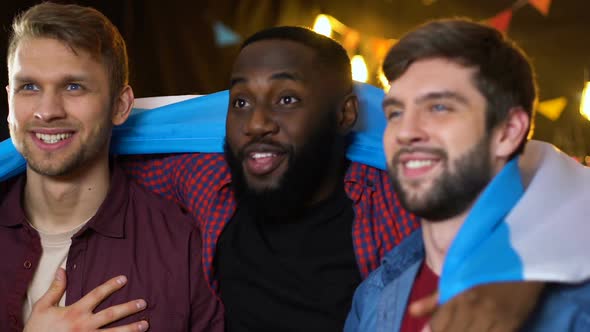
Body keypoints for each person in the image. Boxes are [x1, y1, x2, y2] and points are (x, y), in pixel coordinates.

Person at [345, 18, 590, 332]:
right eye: (395, 112)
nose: (405, 131)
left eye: (439, 107)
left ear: (507, 131)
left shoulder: (575, 306)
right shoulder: (374, 295)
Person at [0, 3, 223, 331]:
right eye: (29, 87)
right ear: (9, 101)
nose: (47, 111)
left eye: (73, 86)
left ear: (120, 106)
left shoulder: (185, 246)